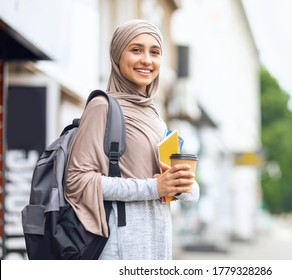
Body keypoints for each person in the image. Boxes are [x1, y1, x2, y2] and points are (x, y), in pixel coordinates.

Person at [65, 19, 200, 260]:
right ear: (118, 55)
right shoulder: (102, 107)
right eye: (136, 50)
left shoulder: (155, 115)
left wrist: (183, 185)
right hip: (119, 249)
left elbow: (174, 189)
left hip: (157, 246)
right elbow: (77, 181)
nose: (147, 60)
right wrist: (154, 187)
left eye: (155, 52)